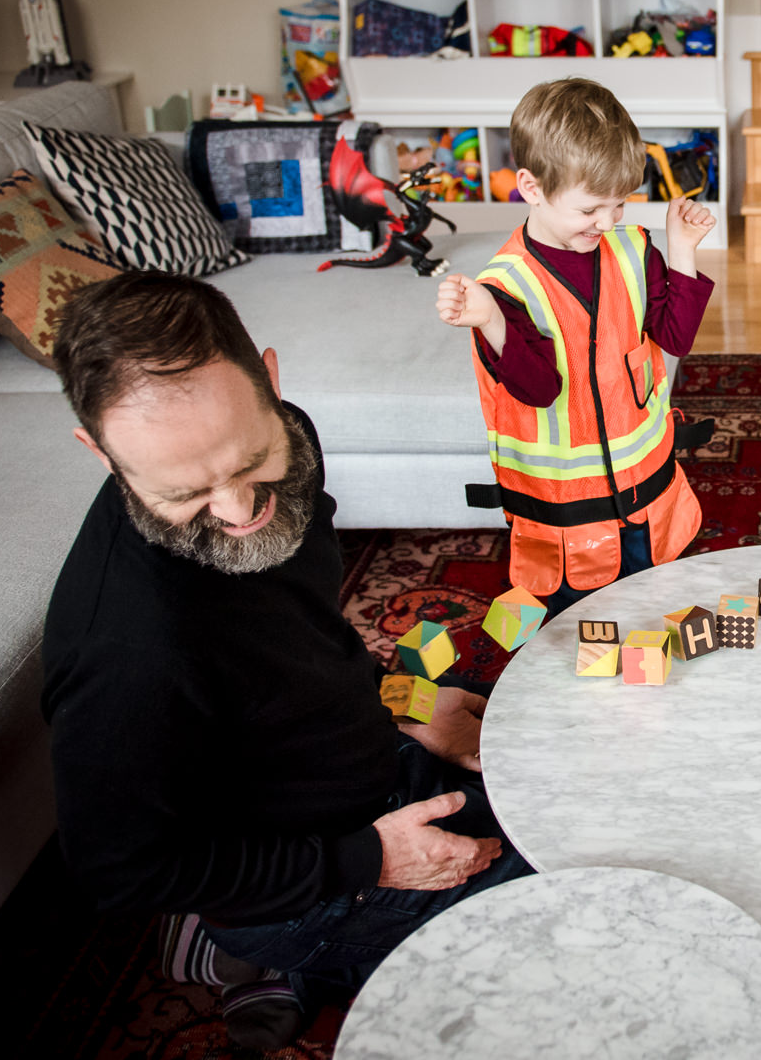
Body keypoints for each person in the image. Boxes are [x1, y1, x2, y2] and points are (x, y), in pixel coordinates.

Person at [41, 273, 530, 1048]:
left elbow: (294, 626)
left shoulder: (292, 441)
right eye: (186, 493)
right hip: (311, 877)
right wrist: (370, 857)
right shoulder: (125, 657)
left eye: (250, 461)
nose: (239, 511)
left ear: (271, 380)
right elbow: (119, 870)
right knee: (589, 907)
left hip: (358, 758)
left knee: (568, 739)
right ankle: (260, 947)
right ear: (100, 453)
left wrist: (402, 703)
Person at [436, 77, 717, 617]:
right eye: (590, 209)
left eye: (620, 205)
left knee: (656, 615)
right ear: (531, 186)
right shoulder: (506, 286)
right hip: (566, 525)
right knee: (573, 636)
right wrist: (490, 320)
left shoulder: (632, 248)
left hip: (646, 502)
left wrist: (681, 251)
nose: (607, 223)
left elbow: (675, 337)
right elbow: (539, 389)